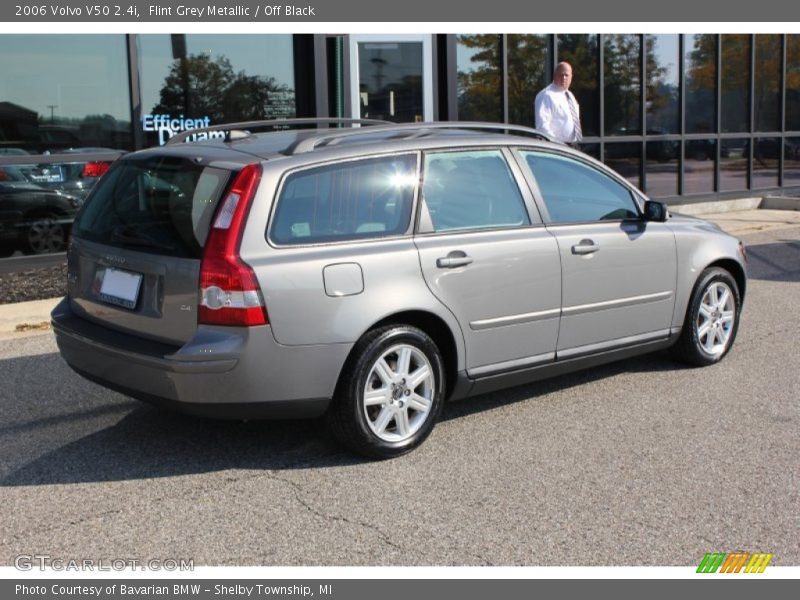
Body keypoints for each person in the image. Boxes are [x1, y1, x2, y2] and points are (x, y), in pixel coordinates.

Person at [534, 62, 583, 145]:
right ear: (554, 76)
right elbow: (542, 127)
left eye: (566, 75)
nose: (564, 78)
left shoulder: (570, 95)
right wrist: (558, 144)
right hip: (558, 147)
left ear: (571, 77)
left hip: (574, 145)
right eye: (561, 75)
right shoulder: (546, 95)